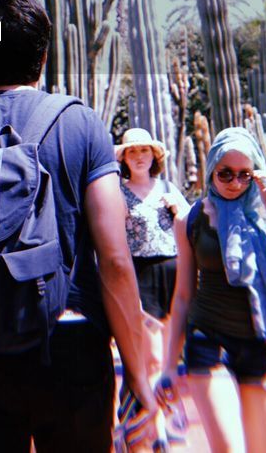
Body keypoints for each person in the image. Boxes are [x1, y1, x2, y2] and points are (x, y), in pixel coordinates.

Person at [0, 0, 158, 452]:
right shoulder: (81, 126)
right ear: (43, 56)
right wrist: (138, 374)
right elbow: (116, 261)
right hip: (71, 347)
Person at [160, 127, 266, 453]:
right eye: (225, 174)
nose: (235, 183)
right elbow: (183, 295)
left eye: (245, 175)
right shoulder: (192, 218)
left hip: (263, 341)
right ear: (211, 169)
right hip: (209, 338)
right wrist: (169, 365)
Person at [118, 127, 188, 447]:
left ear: (154, 156)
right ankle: (155, 430)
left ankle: (157, 421)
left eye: (144, 151)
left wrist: (180, 210)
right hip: (141, 276)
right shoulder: (119, 193)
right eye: (133, 152)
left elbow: (189, 225)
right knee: (153, 358)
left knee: (166, 356)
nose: (139, 156)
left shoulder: (169, 188)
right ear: (125, 159)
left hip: (171, 272)